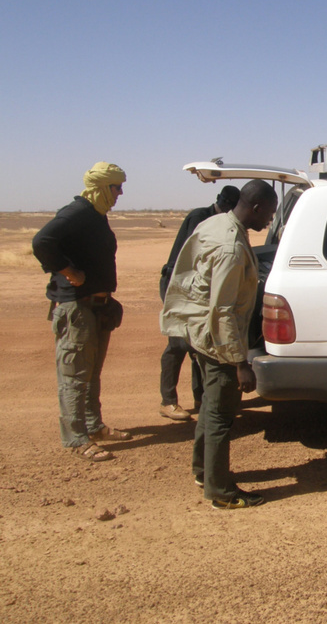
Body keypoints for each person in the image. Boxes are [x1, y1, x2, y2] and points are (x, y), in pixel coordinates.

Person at [160, 180, 278, 509]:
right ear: (255, 208)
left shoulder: (217, 222)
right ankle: (221, 491)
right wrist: (240, 363)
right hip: (219, 342)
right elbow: (223, 310)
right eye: (269, 213)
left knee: (210, 410)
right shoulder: (231, 247)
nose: (270, 219)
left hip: (201, 333)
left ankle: (204, 472)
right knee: (221, 416)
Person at [32, 162, 133, 462]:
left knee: (91, 373)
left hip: (97, 308)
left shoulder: (96, 216)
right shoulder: (77, 212)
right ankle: (76, 438)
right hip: (76, 307)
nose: (120, 192)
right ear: (102, 187)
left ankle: (93, 426)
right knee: (74, 375)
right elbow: (41, 241)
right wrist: (67, 271)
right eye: (116, 187)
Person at [158, 185, 240, 421]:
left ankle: (200, 396)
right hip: (179, 285)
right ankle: (168, 401)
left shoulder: (217, 221)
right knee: (178, 344)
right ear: (226, 205)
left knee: (199, 343)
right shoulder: (200, 217)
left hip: (196, 288)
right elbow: (191, 259)